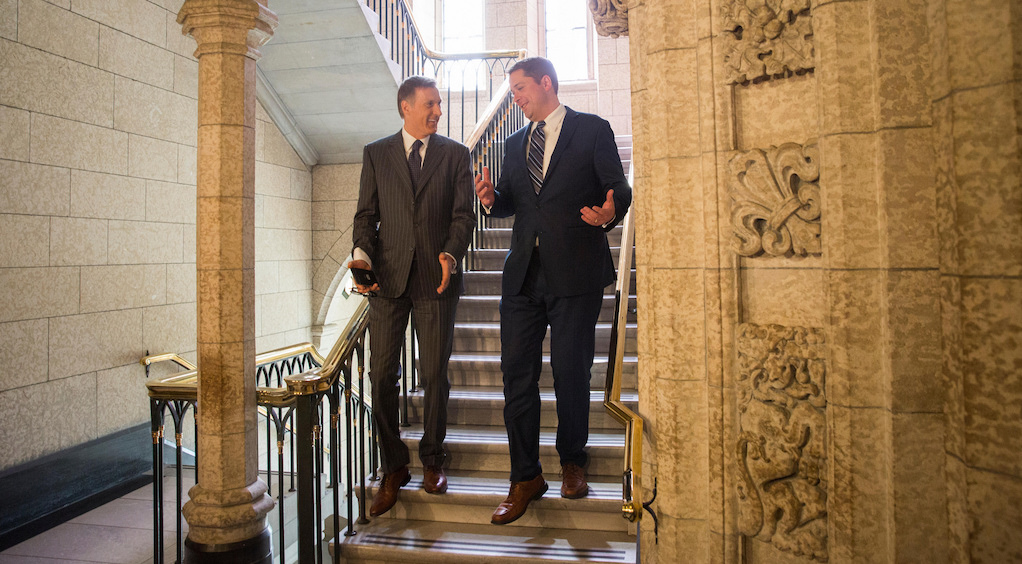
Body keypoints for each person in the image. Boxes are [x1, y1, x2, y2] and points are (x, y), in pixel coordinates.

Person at [473, 57, 632, 525]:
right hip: (523, 276)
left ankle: (572, 463)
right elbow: (511, 203)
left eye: (520, 88)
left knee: (570, 373)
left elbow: (618, 187)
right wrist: (489, 199)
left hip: (576, 275)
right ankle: (525, 476)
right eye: (513, 90)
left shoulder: (593, 129)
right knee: (516, 377)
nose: (516, 97)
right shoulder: (513, 142)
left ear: (546, 83)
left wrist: (611, 211)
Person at [350, 75, 475, 517]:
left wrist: (451, 253)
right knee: (381, 374)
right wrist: (361, 256)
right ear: (405, 107)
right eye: (430, 104)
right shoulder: (376, 153)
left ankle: (433, 459)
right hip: (386, 281)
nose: (437, 111)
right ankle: (393, 465)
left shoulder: (457, 154)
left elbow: (464, 215)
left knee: (433, 373)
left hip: (436, 281)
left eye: (439, 104)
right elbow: (366, 216)